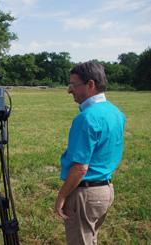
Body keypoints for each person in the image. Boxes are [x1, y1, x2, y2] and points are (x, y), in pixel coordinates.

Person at [55, 61, 126, 244]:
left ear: (91, 85)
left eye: (73, 85)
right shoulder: (116, 113)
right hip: (106, 191)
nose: (69, 90)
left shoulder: (86, 118)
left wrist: (61, 196)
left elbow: (80, 168)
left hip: (85, 195)